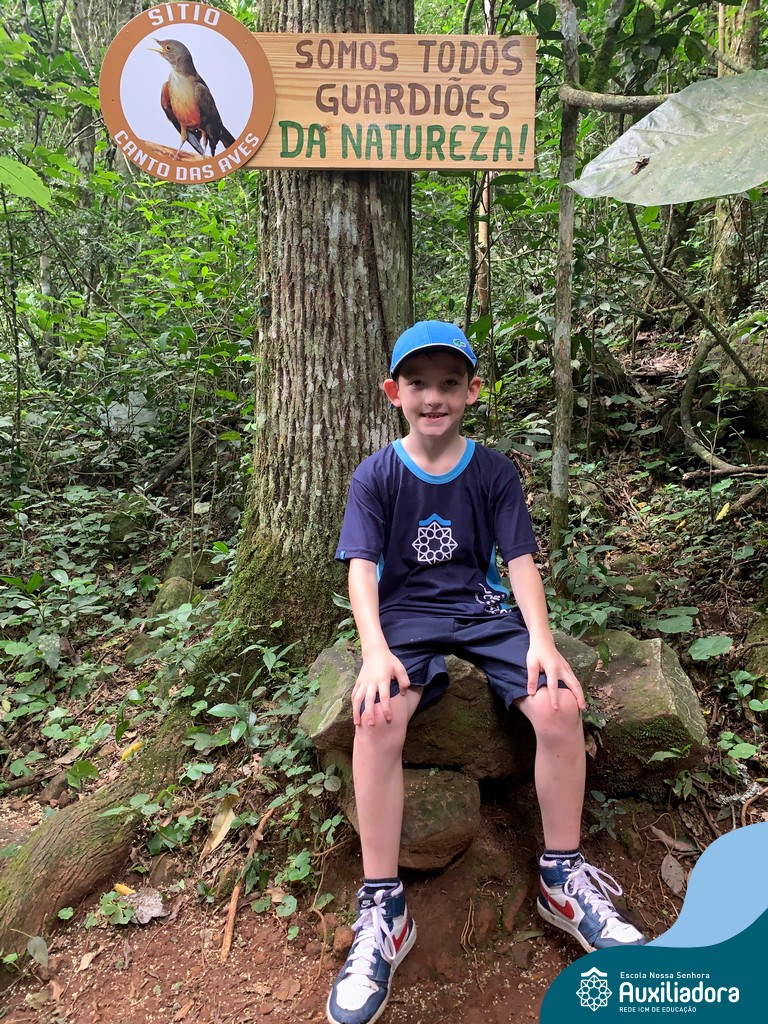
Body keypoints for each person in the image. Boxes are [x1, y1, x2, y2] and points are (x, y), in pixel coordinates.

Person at [326, 321, 646, 1024]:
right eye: (418, 383)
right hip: (405, 616)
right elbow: (362, 569)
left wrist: (542, 642)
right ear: (393, 392)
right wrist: (374, 649)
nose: (433, 397)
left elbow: (520, 562)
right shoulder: (376, 474)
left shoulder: (494, 471)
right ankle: (383, 906)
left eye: (449, 383)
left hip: (480, 608)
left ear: (472, 391)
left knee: (558, 704)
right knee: (376, 715)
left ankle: (562, 878)